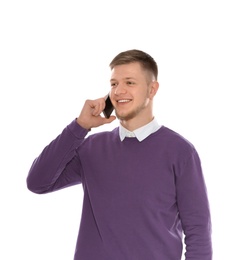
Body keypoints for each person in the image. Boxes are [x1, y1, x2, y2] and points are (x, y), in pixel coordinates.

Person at [27, 49, 212, 260]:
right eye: (114, 84)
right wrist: (79, 127)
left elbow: (198, 230)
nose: (118, 91)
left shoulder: (180, 152)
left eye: (130, 83)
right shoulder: (91, 148)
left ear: (152, 90)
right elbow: (37, 182)